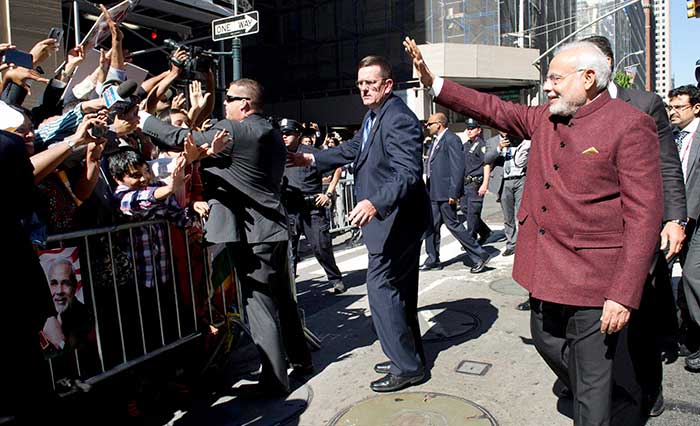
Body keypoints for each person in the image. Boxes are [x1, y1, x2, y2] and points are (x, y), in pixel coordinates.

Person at [405, 37, 662, 424]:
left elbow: (645, 215)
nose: (547, 86)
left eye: (556, 79)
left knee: (591, 388)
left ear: (588, 78)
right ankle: (617, 389)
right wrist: (434, 82)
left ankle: (607, 397)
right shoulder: (544, 117)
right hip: (545, 272)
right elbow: (493, 108)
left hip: (595, 281)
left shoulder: (631, 126)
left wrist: (624, 294)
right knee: (546, 341)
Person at [138, 78, 312, 394]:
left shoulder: (235, 130)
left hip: (255, 233)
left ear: (244, 103)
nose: (225, 103)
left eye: (229, 98)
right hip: (271, 229)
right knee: (283, 300)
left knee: (258, 306)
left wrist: (144, 119)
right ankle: (301, 360)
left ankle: (274, 381)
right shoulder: (270, 131)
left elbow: (182, 137)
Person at [288, 55, 431, 392]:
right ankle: (408, 356)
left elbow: (407, 173)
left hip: (396, 222)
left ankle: (406, 365)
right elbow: (355, 148)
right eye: (361, 83)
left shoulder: (397, 118)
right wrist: (310, 157)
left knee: (381, 292)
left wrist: (374, 201)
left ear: (388, 85)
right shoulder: (374, 116)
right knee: (401, 293)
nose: (364, 89)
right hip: (397, 222)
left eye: (371, 83)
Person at [583, 35, 688, 416]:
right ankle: (606, 386)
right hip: (593, 235)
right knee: (597, 321)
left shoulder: (644, 104)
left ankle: (649, 388)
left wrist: (674, 219)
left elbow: (666, 164)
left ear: (601, 64)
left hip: (638, 229)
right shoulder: (571, 106)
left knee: (640, 317)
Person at [280, 118, 346, 293]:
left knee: (320, 246)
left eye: (288, 133)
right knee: (289, 252)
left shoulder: (311, 154)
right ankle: (290, 288)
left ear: (298, 135)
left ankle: (335, 278)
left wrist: (328, 194)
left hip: (312, 209)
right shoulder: (278, 155)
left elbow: (336, 168)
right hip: (290, 210)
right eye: (282, 133)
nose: (284, 136)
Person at [421, 112, 491, 273]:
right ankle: (432, 259)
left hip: (445, 193)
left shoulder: (451, 139)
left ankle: (479, 255)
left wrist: (454, 193)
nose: (427, 127)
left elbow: (458, 168)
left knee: (453, 225)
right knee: (431, 226)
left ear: (438, 124)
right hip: (433, 192)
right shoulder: (435, 141)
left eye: (429, 124)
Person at [669, 84, 700, 372]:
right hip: (673, 217)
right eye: (671, 106)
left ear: (696, 108)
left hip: (695, 219)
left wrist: (685, 218)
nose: (673, 112)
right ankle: (682, 333)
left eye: (679, 107)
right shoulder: (671, 136)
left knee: (692, 277)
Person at [484, 132, 530, 258]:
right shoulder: (492, 141)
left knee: (523, 213)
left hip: (521, 179)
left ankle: (526, 242)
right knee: (508, 216)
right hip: (504, 181)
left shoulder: (519, 137)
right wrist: (499, 147)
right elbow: (487, 159)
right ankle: (512, 244)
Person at [40, 259, 93, 353]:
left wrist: (60, 343)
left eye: (65, 283)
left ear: (75, 286)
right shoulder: (44, 316)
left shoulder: (86, 315)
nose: (59, 291)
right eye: (54, 283)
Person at [460, 118, 493, 245]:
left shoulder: (481, 145)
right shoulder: (466, 145)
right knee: (465, 209)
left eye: (472, 128)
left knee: (473, 213)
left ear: (478, 130)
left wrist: (485, 184)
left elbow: (486, 165)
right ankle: (485, 231)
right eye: (468, 128)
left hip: (476, 184)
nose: (469, 131)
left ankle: (471, 240)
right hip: (465, 184)